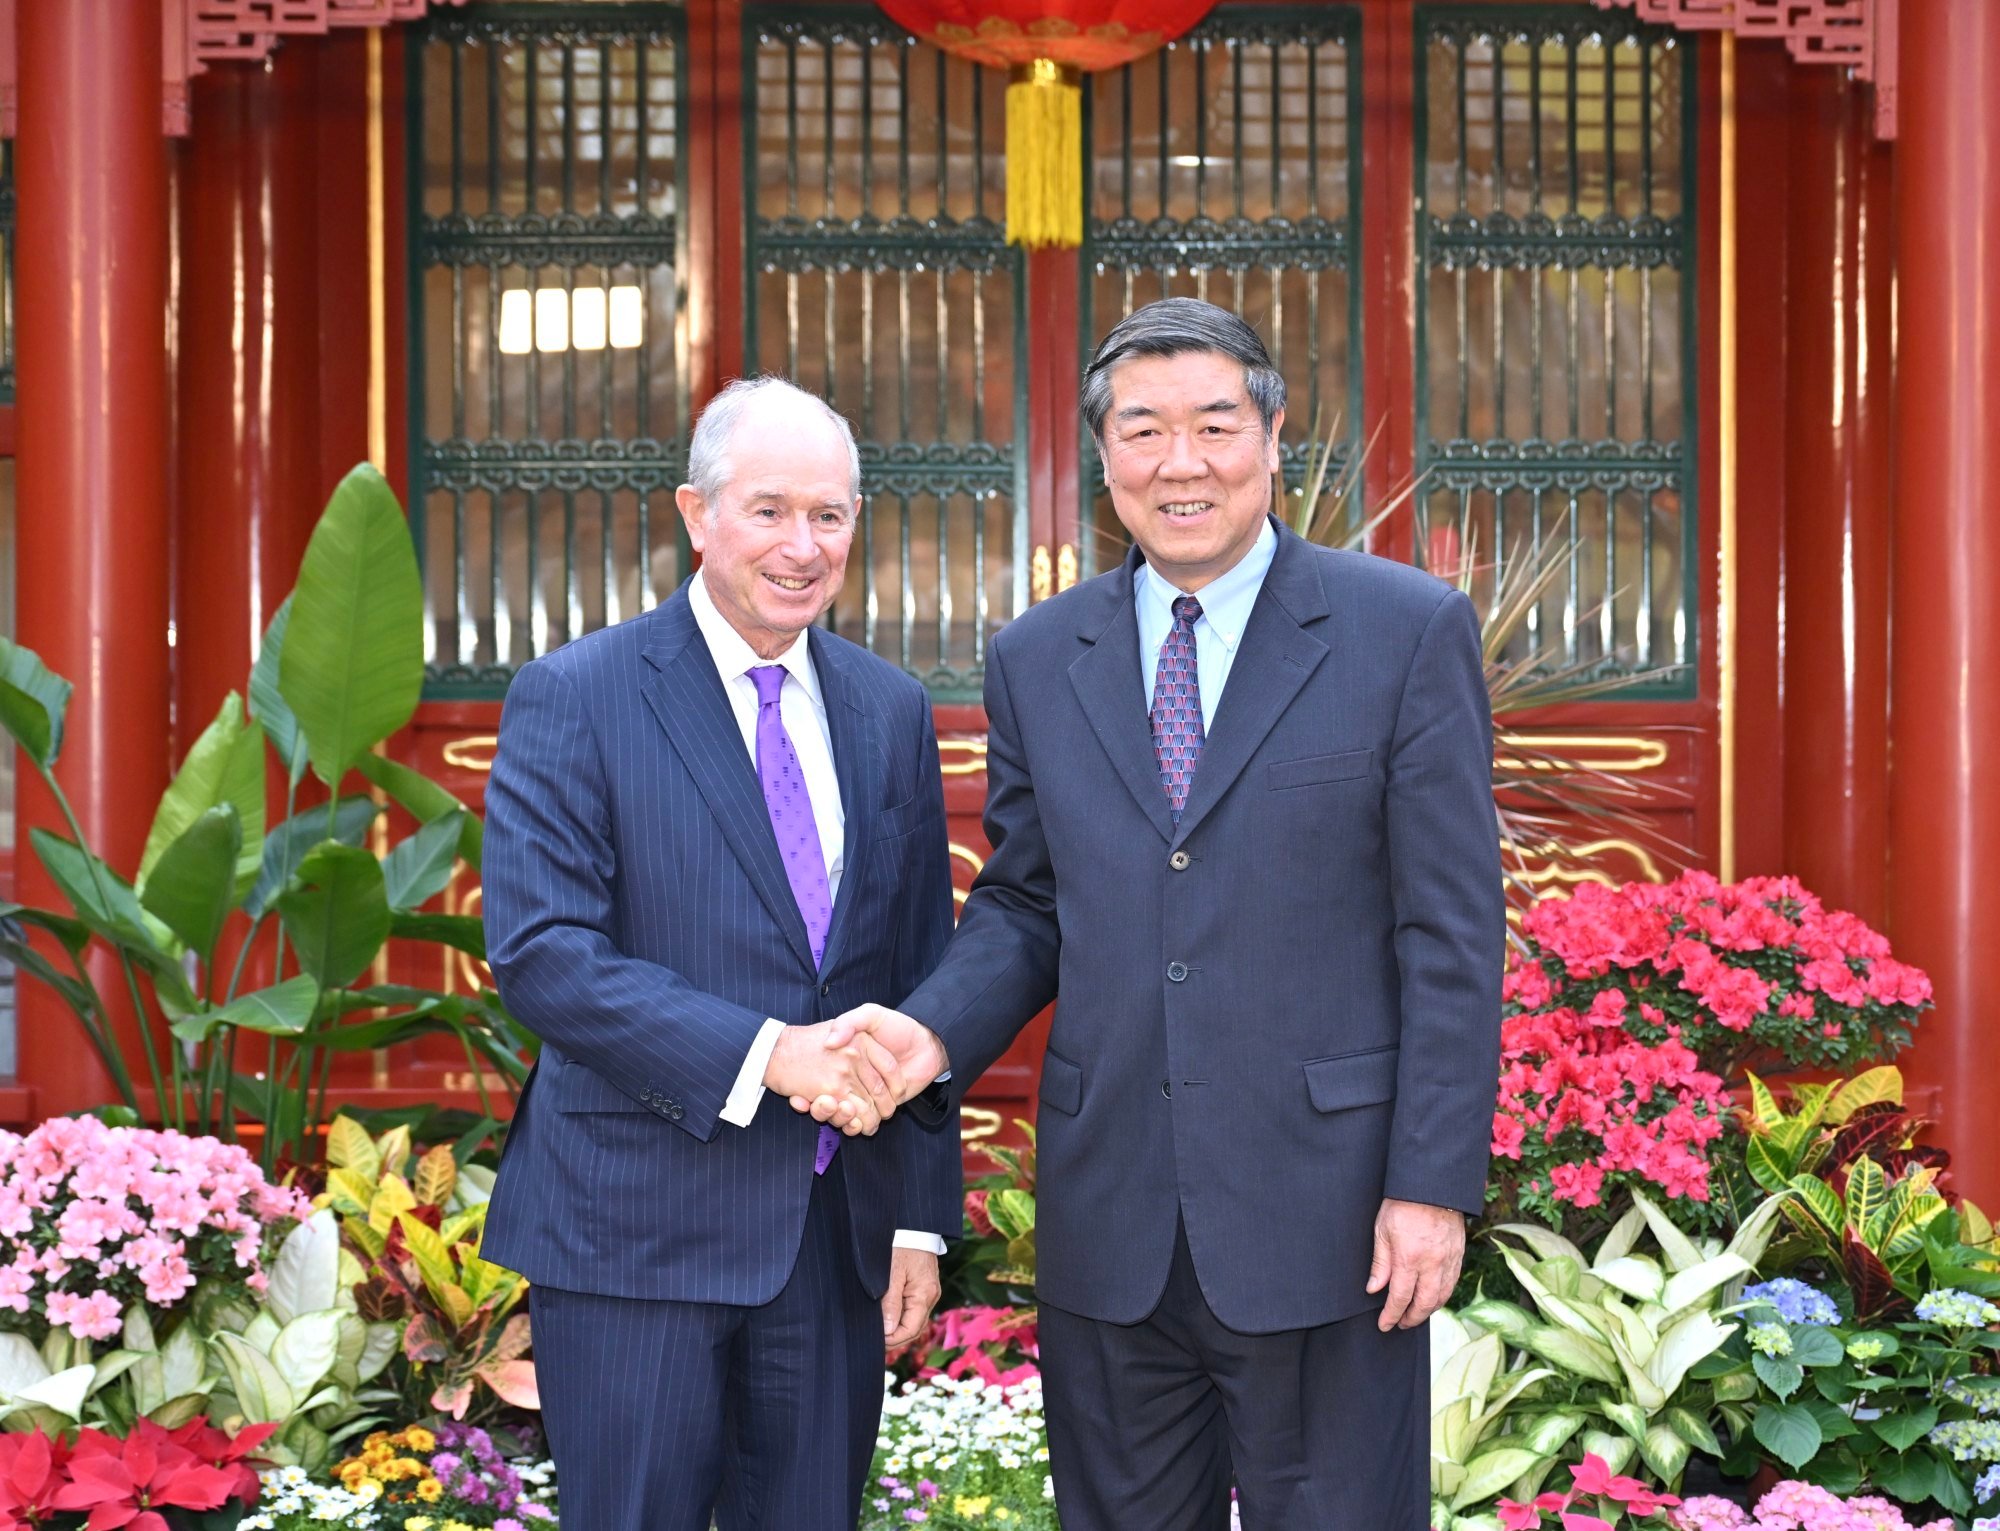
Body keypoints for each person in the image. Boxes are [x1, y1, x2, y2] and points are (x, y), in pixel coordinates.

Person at [826, 298, 1505, 1528]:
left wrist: (1430, 1183)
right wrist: (929, 1036)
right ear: (1103, 459)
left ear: (1271, 436)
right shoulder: (1038, 654)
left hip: (1333, 1218)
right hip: (1113, 1220)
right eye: (1141, 431)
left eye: (1212, 426)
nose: (1177, 463)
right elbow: (1026, 901)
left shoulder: (1401, 631)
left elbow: (1449, 934)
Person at [479, 376, 961, 1531]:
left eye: (830, 516)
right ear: (696, 514)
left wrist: (916, 1216)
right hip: (632, 1231)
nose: (802, 546)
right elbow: (544, 952)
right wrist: (767, 1054)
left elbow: (916, 968)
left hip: (831, 1235)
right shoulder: (578, 694)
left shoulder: (886, 708)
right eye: (768, 511)